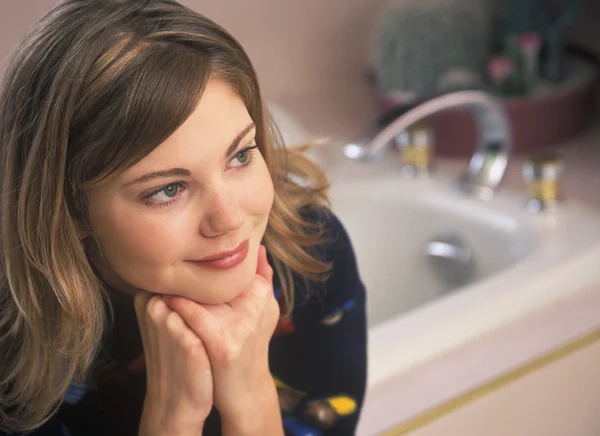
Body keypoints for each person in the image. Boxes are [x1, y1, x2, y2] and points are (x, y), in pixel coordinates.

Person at [0, 1, 367, 435]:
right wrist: (173, 416)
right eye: (167, 189)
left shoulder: (311, 249)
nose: (229, 219)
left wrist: (250, 394)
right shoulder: (12, 331)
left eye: (240, 155)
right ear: (69, 209)